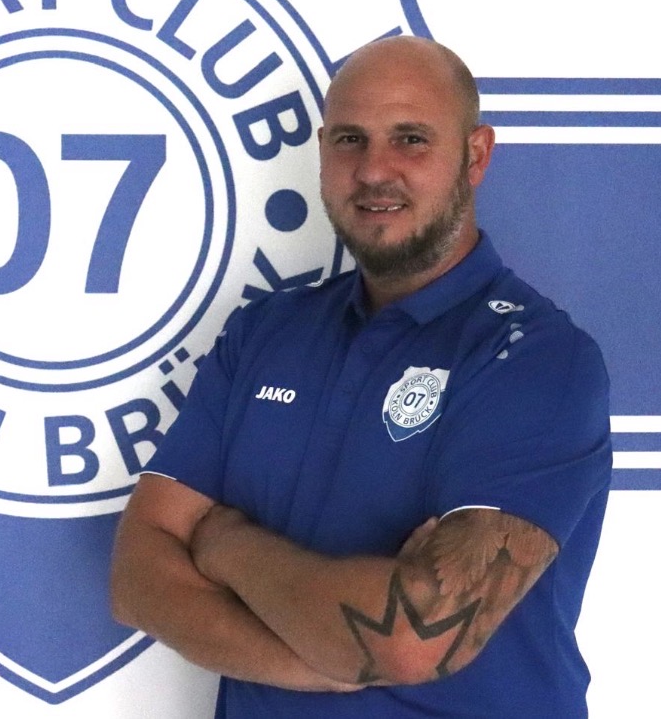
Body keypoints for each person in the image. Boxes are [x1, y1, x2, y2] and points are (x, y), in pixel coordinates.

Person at [110, 35, 611, 717]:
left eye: (411, 139)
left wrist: (223, 541)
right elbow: (137, 575)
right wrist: (320, 662)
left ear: (475, 155)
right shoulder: (263, 332)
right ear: (323, 151)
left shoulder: (536, 359)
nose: (375, 169)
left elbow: (411, 638)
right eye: (350, 139)